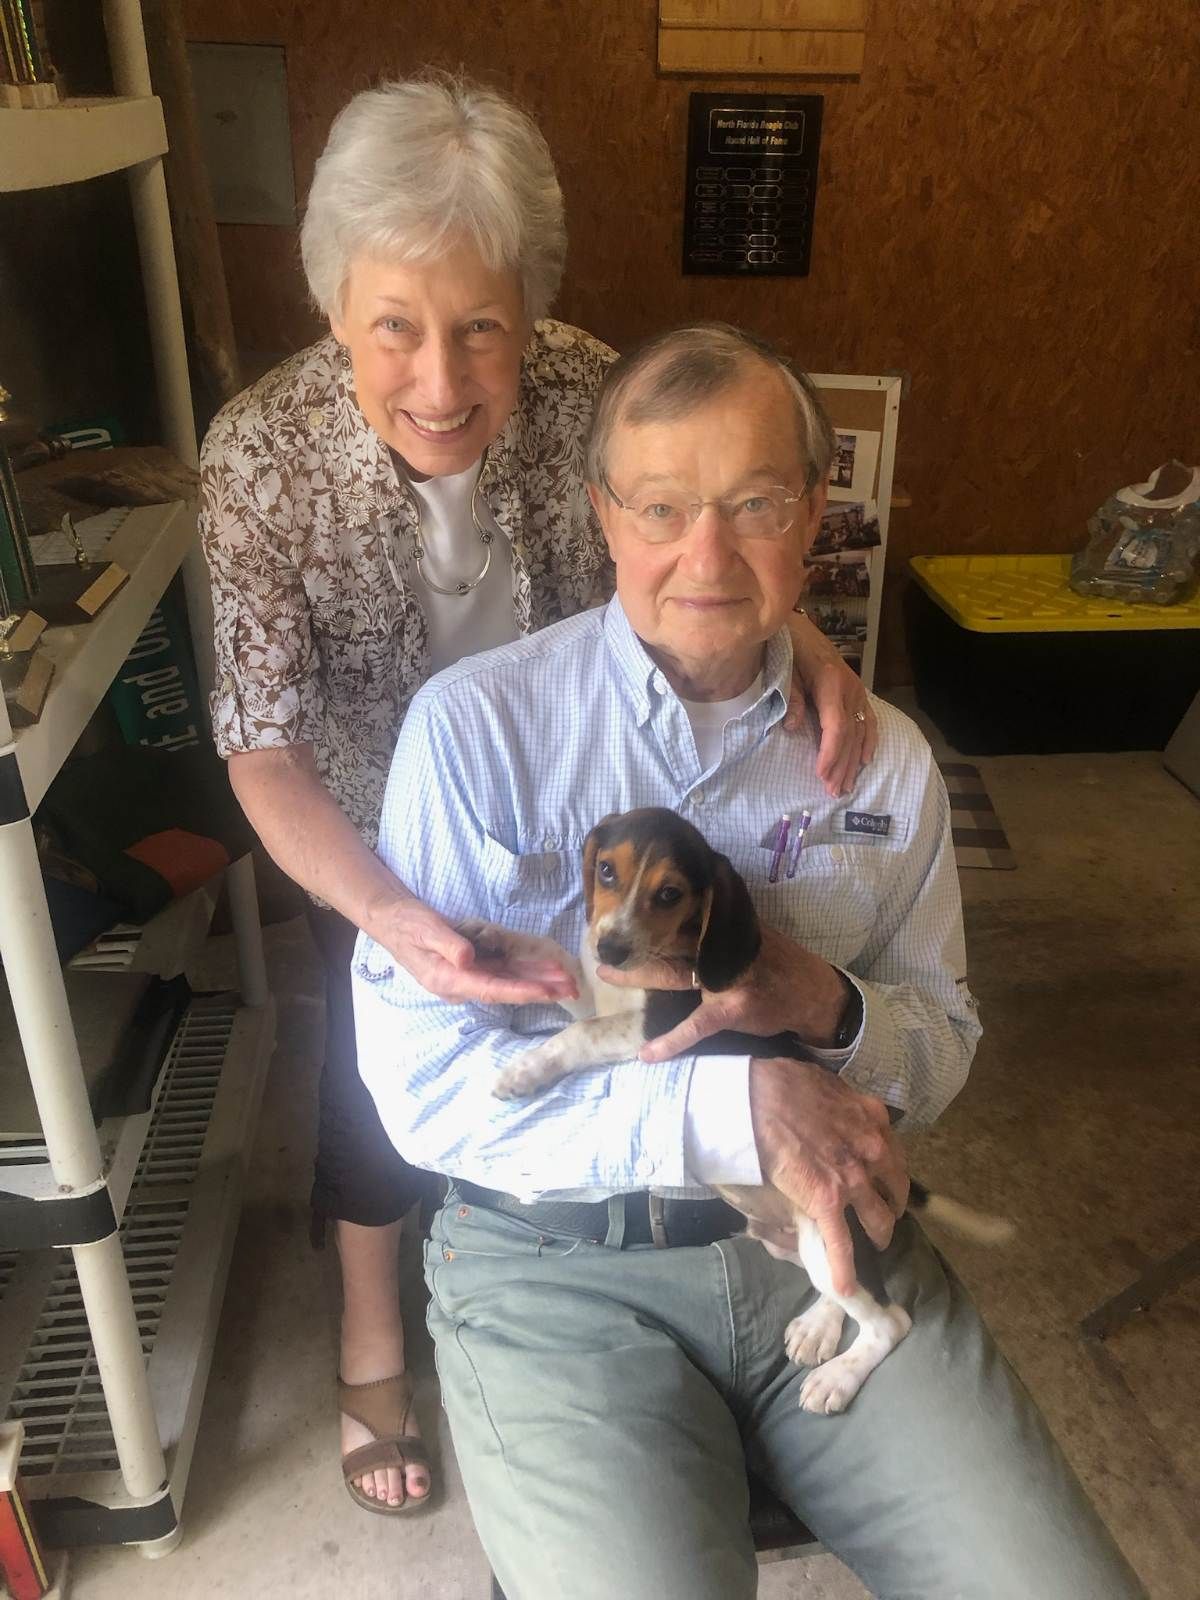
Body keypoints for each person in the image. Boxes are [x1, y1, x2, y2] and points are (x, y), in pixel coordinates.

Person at [350, 324, 1146, 1598]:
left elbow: (939, 1053)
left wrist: (818, 1002)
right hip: (553, 1266)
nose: (705, 555)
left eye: (755, 504)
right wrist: (731, 1100)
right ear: (603, 513)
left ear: (819, 511)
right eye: (661, 505)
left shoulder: (887, 763)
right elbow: (420, 1096)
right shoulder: (475, 734)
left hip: (816, 1234)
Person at [198, 76, 876, 1516]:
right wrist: (390, 913)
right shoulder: (257, 459)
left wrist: (799, 633)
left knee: (623, 1047)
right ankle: (375, 1339)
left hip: (580, 810)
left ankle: (618, 1316)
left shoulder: (591, 389)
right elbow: (260, 744)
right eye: (396, 327)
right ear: (334, 309)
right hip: (366, 827)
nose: (442, 379)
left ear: (532, 306)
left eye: (481, 326)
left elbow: (683, 541)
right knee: (377, 1079)